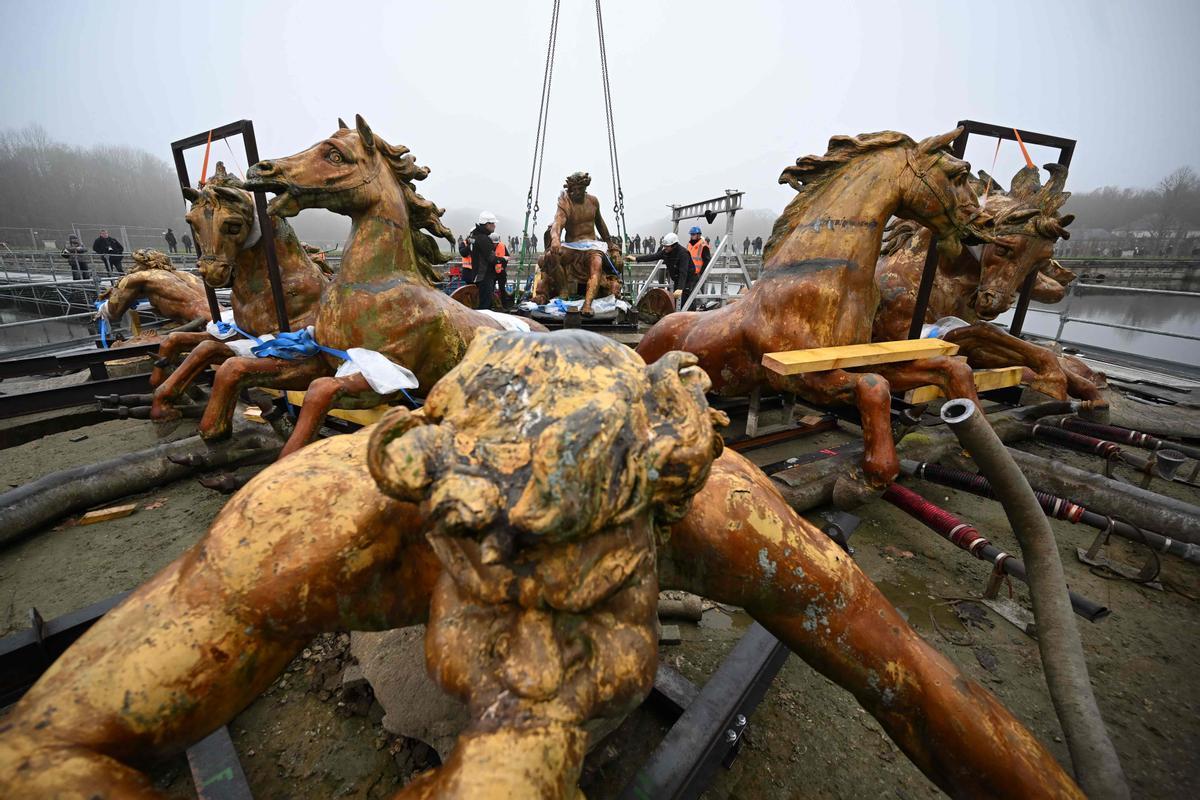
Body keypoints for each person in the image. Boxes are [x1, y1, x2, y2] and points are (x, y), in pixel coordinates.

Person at [636, 232, 695, 307]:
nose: (665, 248)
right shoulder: (666, 252)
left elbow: (683, 271)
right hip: (677, 279)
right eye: (664, 246)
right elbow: (653, 256)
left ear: (674, 245)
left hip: (687, 280)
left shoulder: (683, 254)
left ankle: (690, 314)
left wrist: (680, 288)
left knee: (686, 301)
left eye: (667, 246)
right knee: (677, 301)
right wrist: (636, 259)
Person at [471, 211, 500, 311]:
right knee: (485, 305)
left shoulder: (474, 236)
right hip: (485, 276)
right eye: (493, 223)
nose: (494, 226)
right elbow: (491, 258)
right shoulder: (484, 239)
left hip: (477, 275)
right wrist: (501, 260)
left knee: (483, 302)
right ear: (487, 224)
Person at [491, 231, 511, 308]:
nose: (495, 245)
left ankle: (504, 305)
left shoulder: (502, 246)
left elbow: (507, 257)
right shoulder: (487, 247)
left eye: (496, 243)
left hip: (501, 272)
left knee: (502, 289)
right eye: (493, 243)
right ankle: (492, 304)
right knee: (490, 289)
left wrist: (503, 266)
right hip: (491, 272)